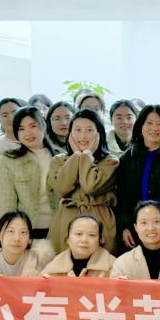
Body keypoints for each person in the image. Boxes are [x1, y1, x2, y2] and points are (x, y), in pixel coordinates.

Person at [48, 109, 118, 254]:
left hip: (99, 221)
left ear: (99, 134)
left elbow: (90, 186)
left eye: (89, 130)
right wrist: (76, 156)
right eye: (77, 130)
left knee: (99, 264)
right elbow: (61, 188)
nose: (83, 136)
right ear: (70, 134)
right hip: (66, 220)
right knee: (65, 265)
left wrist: (86, 155)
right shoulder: (58, 160)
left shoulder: (110, 161)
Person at [114, 105, 160, 250]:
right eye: (149, 123)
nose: (155, 128)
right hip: (134, 232)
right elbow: (121, 198)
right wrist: (124, 227)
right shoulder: (127, 159)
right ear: (140, 126)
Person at [0, 106, 58, 239]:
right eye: (21, 129)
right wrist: (4, 234)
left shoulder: (60, 157)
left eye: (33, 126)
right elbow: (6, 201)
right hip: (26, 229)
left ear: (43, 125)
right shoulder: (9, 159)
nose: (28, 133)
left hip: (58, 227)